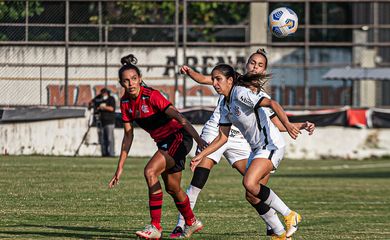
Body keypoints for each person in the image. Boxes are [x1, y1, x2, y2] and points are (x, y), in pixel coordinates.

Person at [170, 49, 315, 239]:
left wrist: (297, 125)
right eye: (252, 63)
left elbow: (276, 119)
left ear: (264, 71)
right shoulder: (231, 85)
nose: (255, 67)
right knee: (214, 183)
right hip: (229, 138)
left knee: (251, 186)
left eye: (260, 65)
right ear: (246, 65)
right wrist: (189, 72)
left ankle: (283, 221)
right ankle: (183, 224)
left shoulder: (252, 94)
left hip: (254, 143)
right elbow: (222, 134)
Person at [108, 54, 207, 239]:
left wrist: (198, 140)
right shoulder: (125, 103)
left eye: (134, 79)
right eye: (126, 81)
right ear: (121, 84)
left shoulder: (151, 96)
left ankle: (155, 227)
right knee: (173, 188)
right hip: (165, 143)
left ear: (140, 79)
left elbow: (179, 117)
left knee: (150, 171)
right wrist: (119, 167)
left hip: (179, 137)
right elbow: (128, 135)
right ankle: (192, 222)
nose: (131, 84)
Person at [89, 88, 116, 157]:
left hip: (110, 121)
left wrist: (102, 107)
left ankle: (111, 153)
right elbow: (91, 102)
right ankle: (104, 153)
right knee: (102, 139)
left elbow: (112, 108)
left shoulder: (111, 99)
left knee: (110, 138)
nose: (103, 95)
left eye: (104, 93)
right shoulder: (99, 98)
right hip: (101, 121)